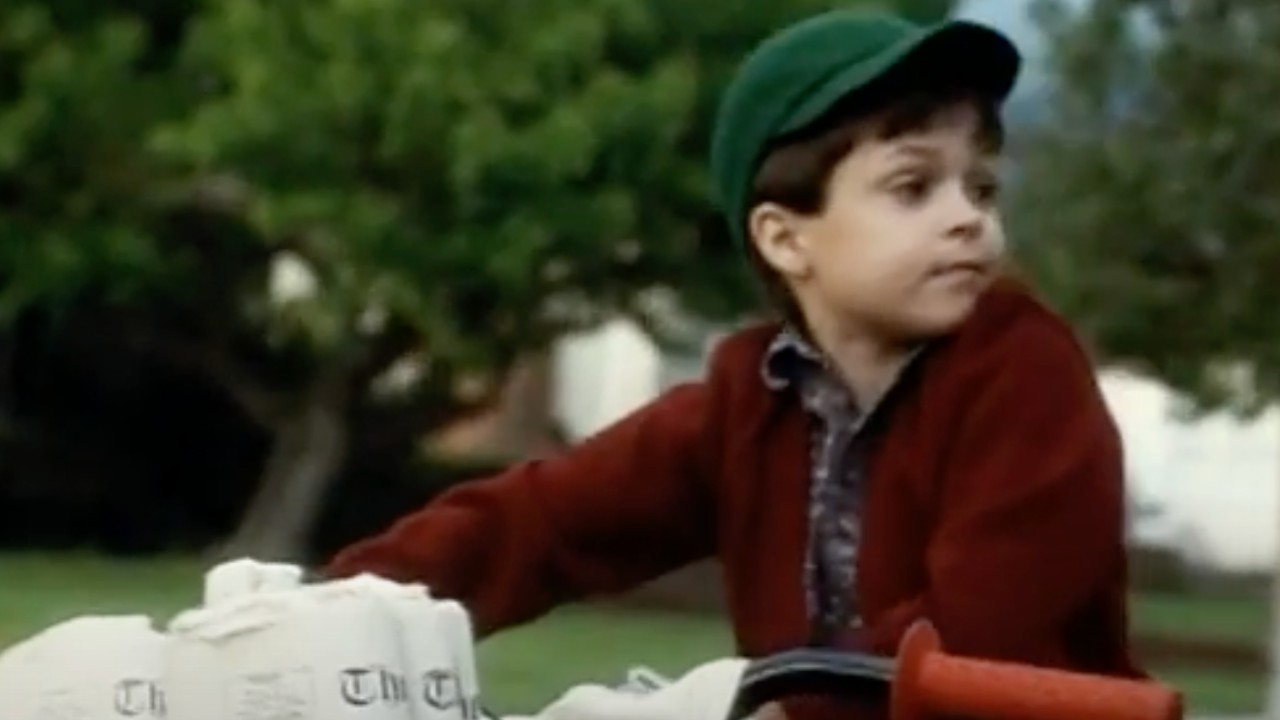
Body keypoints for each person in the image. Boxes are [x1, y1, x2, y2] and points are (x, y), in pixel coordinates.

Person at [325, 9, 1142, 719]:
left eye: (981, 187)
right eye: (913, 186)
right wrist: (342, 610)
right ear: (786, 238)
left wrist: (775, 709)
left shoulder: (1023, 372)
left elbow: (986, 622)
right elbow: (547, 521)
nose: (968, 218)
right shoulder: (749, 395)